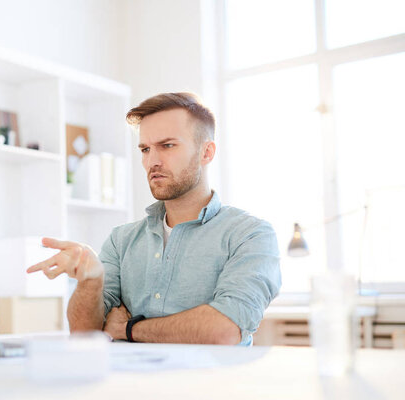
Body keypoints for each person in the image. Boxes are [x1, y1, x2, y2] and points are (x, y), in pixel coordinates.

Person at [27, 92, 281, 346]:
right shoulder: (121, 240)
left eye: (167, 146)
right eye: (145, 149)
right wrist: (90, 282)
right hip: (125, 383)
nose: (152, 161)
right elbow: (85, 336)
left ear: (206, 152)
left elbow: (224, 330)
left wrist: (128, 329)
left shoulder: (251, 235)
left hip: (207, 384)